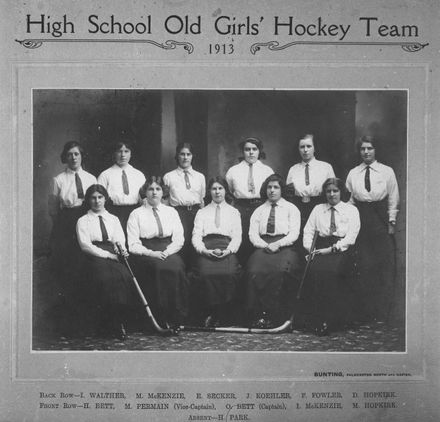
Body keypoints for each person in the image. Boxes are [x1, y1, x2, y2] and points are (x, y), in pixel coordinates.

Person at [346, 135, 399, 322]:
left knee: (383, 266)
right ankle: (366, 313)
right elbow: (350, 201)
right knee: (363, 266)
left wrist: (391, 223)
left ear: (376, 150)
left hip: (380, 218)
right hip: (361, 219)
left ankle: (382, 312)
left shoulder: (387, 171)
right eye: (363, 149)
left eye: (370, 148)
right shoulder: (353, 173)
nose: (366, 152)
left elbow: (393, 198)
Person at [127, 176, 188, 328]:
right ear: (145, 192)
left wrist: (168, 252)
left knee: (176, 267)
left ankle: (176, 316)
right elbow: (133, 244)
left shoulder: (171, 212)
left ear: (163, 192)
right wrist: (151, 253)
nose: (154, 192)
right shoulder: (136, 214)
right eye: (150, 189)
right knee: (159, 269)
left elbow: (179, 238)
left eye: (158, 189)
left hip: (168, 249)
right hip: (147, 251)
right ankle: (159, 317)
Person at [47, 141, 97, 327]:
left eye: (76, 154)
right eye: (70, 154)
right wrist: (61, 228)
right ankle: (71, 309)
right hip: (66, 221)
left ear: (82, 156)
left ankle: (89, 306)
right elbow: (53, 208)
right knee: (69, 263)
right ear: (65, 157)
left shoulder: (92, 178)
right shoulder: (58, 179)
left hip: (87, 217)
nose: (73, 157)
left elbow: (97, 200)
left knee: (87, 259)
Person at [302, 178, 360, 336]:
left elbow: (351, 237)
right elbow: (308, 231)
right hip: (320, 247)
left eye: (335, 190)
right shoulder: (318, 209)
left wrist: (333, 249)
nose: (332, 194)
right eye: (328, 191)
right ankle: (316, 319)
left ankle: (332, 320)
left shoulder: (351, 210)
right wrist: (311, 249)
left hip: (341, 249)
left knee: (331, 274)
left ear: (341, 192)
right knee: (314, 271)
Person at [76, 184, 134, 340]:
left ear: (105, 199)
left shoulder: (113, 219)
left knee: (123, 276)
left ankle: (119, 321)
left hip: (112, 252)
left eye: (100, 197)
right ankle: (105, 323)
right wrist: (108, 256)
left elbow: (119, 238)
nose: (97, 201)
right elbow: (85, 245)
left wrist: (121, 249)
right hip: (94, 255)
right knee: (104, 278)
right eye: (93, 198)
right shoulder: (83, 220)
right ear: (88, 200)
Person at [245, 173, 301, 328]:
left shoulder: (291, 209)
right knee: (253, 269)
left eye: (276, 187)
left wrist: (279, 244)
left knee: (281, 271)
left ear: (282, 189)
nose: (272, 190)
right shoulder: (259, 210)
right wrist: (265, 245)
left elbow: (294, 233)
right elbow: (252, 234)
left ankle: (278, 316)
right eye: (269, 187)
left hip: (285, 246)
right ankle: (259, 315)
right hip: (264, 245)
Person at [191, 177, 242, 327]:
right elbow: (196, 235)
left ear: (226, 191)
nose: (217, 192)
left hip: (227, 248)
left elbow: (237, 236)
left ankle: (223, 314)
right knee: (205, 274)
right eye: (214, 189)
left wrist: (229, 251)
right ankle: (209, 312)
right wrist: (203, 251)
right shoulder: (202, 212)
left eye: (220, 188)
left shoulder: (234, 212)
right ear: (209, 191)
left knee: (230, 273)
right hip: (207, 248)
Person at [225, 137, 274, 262]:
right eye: (247, 149)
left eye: (254, 149)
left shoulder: (267, 171)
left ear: (259, 151)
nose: (251, 152)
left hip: (261, 207)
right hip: (240, 208)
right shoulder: (233, 171)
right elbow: (229, 190)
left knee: (259, 237)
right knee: (241, 238)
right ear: (243, 152)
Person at [163, 142, 206, 264]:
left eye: (188, 154)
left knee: (196, 242)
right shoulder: (169, 176)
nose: (185, 157)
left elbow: (202, 199)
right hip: (178, 213)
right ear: (177, 156)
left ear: (192, 156)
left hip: (196, 213)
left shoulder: (200, 177)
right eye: (182, 154)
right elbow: (165, 201)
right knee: (180, 242)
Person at [286, 133, 335, 234]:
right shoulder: (293, 169)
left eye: (309, 146)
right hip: (299, 208)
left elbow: (333, 191)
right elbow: (288, 195)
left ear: (315, 148)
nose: (305, 150)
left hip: (320, 207)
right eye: (302, 147)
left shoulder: (326, 167)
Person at [97, 138, 146, 234]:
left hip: (135, 211)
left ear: (131, 153)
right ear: (114, 154)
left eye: (126, 151)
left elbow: (144, 197)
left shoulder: (138, 175)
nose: (123, 155)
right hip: (114, 212)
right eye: (119, 151)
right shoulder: (105, 175)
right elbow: (99, 197)